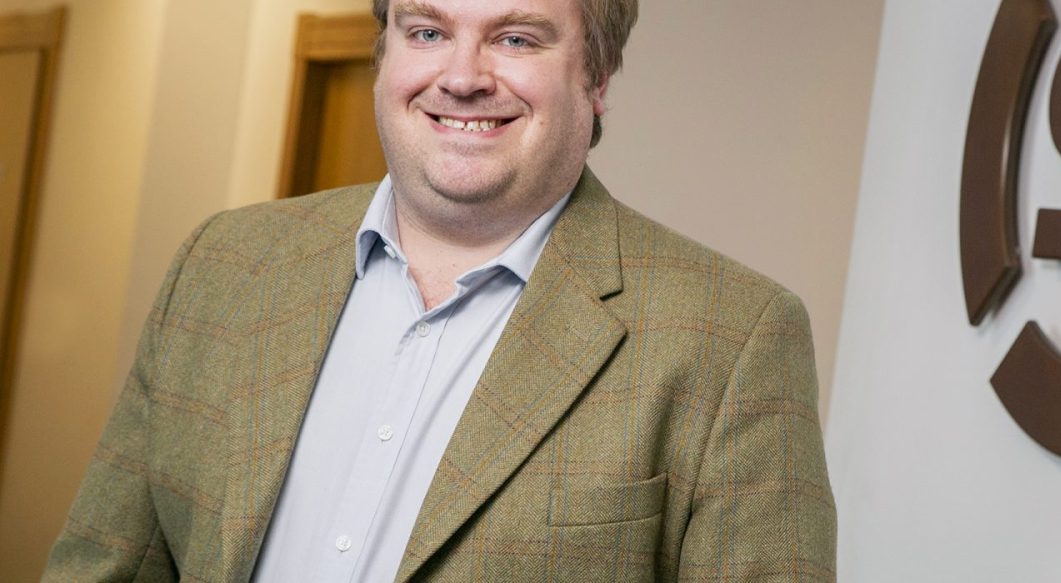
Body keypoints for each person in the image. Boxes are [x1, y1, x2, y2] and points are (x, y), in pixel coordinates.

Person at [43, 0, 835, 580]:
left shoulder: (734, 338)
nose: (461, 77)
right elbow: (101, 567)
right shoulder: (223, 265)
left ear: (597, 76)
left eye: (516, 38)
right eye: (427, 32)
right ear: (384, 53)